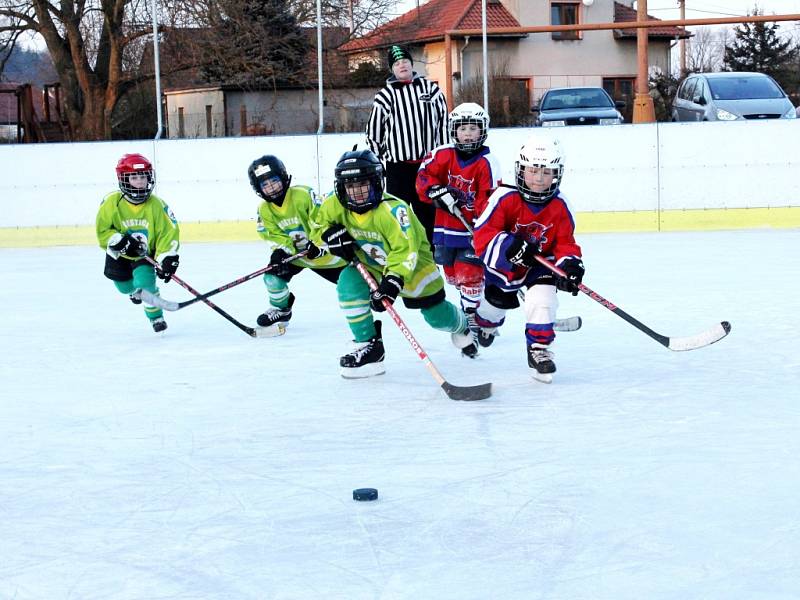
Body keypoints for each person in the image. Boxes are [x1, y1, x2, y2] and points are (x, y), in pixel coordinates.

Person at [309, 148, 474, 378]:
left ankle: (464, 324)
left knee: (437, 318)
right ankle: (369, 347)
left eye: (363, 185)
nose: (356, 192)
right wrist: (328, 236)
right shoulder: (333, 204)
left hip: (416, 273)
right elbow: (316, 228)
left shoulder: (394, 211)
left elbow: (405, 251)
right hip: (373, 268)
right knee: (348, 282)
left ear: (376, 182)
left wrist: (392, 283)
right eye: (350, 186)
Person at [472, 133, 585, 383]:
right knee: (494, 307)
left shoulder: (561, 206)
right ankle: (486, 325)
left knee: (543, 300)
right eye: (533, 171)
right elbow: (482, 236)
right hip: (504, 269)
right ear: (521, 170)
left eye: (547, 173)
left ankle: (539, 350)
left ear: (557, 174)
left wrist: (570, 266)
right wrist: (509, 247)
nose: (539, 179)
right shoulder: (504, 198)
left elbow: (565, 243)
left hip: (538, 267)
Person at [416, 102, 502, 356]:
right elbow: (424, 176)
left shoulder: (488, 162)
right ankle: (485, 310)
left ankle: (473, 320)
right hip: (445, 231)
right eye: (462, 128)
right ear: (453, 131)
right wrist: (435, 191)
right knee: (454, 277)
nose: (467, 134)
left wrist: (478, 219)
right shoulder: (442, 154)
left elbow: (492, 200)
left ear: (482, 131)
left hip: (473, 234)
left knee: (468, 277)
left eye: (473, 129)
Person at [248, 155, 346, 332]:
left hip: (327, 257)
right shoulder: (264, 210)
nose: (271, 188)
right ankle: (282, 309)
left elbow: (322, 221)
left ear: (284, 177)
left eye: (274, 181)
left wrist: (319, 244)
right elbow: (273, 235)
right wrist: (280, 252)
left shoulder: (303, 195)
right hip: (297, 257)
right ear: (258, 189)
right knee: (271, 277)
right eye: (265, 185)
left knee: (359, 290)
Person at [366, 44, 448, 248]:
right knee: (397, 212)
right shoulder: (385, 96)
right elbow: (374, 132)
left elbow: (443, 123)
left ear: (412, 64)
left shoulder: (431, 90)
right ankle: (398, 248)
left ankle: (431, 252)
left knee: (428, 211)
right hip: (398, 167)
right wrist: (378, 161)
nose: (402, 65)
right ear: (392, 69)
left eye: (405, 61)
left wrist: (445, 157)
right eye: (397, 63)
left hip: (427, 165)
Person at [96, 153, 180, 333]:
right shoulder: (111, 203)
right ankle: (135, 293)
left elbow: (168, 233)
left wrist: (167, 257)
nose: (140, 181)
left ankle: (155, 317)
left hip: (145, 255)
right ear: (123, 179)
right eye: (134, 177)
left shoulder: (157, 205)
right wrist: (118, 240)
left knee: (145, 283)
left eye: (143, 176)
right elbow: (102, 231)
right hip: (118, 254)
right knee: (124, 287)